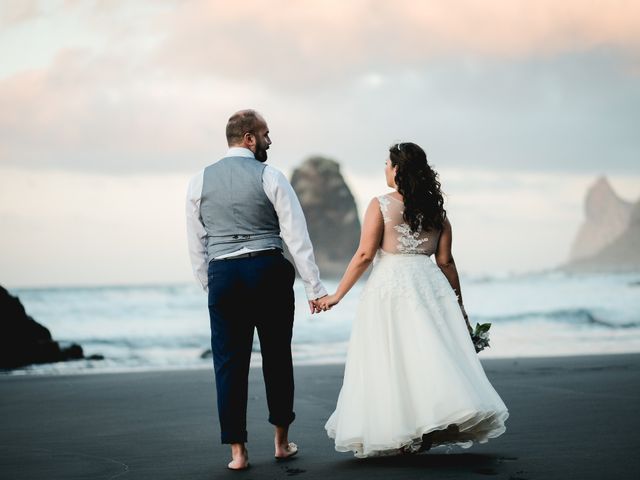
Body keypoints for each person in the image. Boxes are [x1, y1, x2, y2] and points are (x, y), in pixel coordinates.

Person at [318, 142, 508, 458]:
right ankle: (430, 422)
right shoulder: (438, 212)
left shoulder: (380, 205)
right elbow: (445, 261)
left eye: (388, 164)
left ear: (398, 170)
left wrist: (337, 294)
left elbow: (365, 254)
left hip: (391, 286)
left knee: (392, 357)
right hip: (429, 284)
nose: (385, 169)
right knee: (428, 354)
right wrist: (458, 306)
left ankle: (403, 431)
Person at [186, 109, 327, 470]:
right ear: (249, 138)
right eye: (265, 134)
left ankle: (238, 453)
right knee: (277, 356)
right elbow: (296, 235)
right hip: (266, 270)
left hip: (224, 275)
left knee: (228, 364)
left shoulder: (199, 181)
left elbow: (196, 240)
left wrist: (211, 283)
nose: (269, 141)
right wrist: (314, 287)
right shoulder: (270, 176)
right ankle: (281, 444)